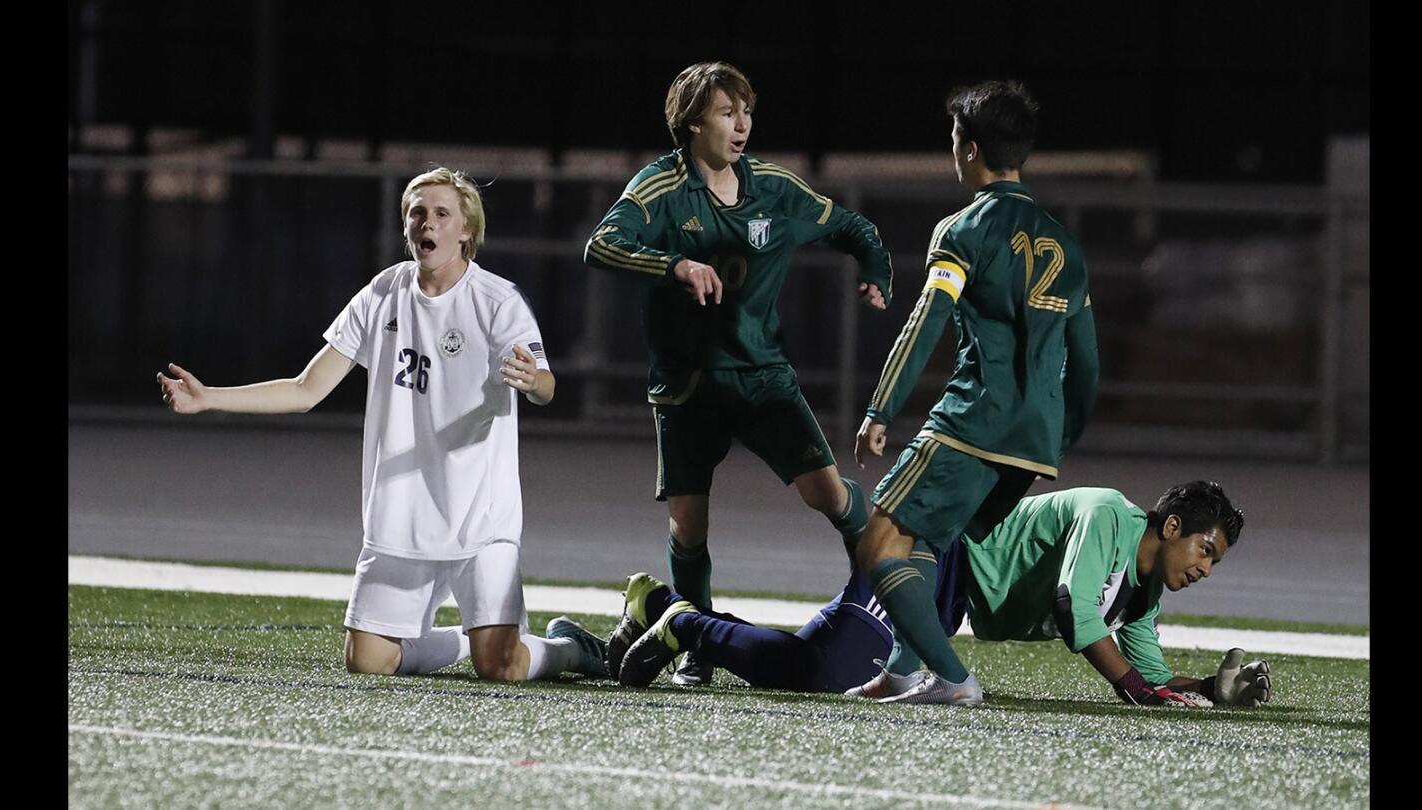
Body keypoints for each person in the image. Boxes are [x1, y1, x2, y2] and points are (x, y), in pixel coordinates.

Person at [156, 167, 607, 683]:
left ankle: (570, 649)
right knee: (367, 662)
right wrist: (208, 397)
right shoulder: (383, 293)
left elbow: (547, 386)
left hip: (479, 520)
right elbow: (307, 388)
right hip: (400, 517)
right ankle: (465, 640)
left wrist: (533, 381)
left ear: (465, 230)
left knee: (503, 668)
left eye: (441, 213)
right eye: (417, 212)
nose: (426, 223)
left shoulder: (496, 301)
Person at [583, 61, 894, 685]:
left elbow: (853, 227)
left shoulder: (775, 189)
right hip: (686, 385)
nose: (743, 123)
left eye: (747, 111)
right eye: (728, 112)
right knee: (688, 526)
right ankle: (697, 641)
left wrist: (875, 270)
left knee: (829, 496)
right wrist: (676, 265)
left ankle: (889, 599)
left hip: (761, 378)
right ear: (693, 121)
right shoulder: (659, 188)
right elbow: (602, 245)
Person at [852, 80, 1100, 704]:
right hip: (1033, 437)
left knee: (878, 541)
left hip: (974, 419)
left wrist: (882, 406)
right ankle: (903, 668)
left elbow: (924, 323)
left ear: (969, 149)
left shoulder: (963, 229)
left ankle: (956, 680)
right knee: (928, 539)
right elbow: (1088, 366)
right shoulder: (1066, 245)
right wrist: (1059, 435)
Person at [609, 482, 1271, 711]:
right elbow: (1075, 606)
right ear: (1173, 526)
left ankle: (659, 604)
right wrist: (1136, 686)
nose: (1207, 568)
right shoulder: (1108, 515)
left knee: (818, 659)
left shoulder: (1144, 594)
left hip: (949, 584)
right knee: (823, 672)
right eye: (1206, 549)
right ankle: (683, 625)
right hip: (934, 547)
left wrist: (1210, 687)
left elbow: (1147, 680)